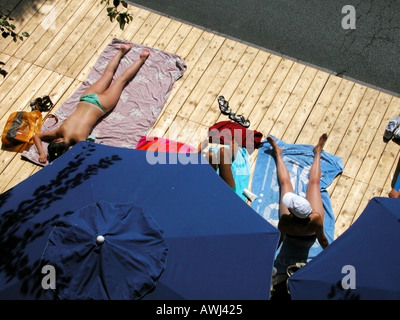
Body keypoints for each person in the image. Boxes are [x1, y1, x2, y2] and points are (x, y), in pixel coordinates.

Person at [33, 44, 150, 163]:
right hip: (87, 98)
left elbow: (85, 156)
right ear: (57, 141)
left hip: (101, 105)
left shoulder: (80, 140)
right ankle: (121, 51)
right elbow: (36, 136)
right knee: (108, 73)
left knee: (121, 80)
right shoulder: (59, 131)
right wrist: (42, 152)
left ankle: (142, 58)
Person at [267, 133, 330, 249]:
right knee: (314, 182)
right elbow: (323, 239)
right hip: (310, 231)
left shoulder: (285, 220)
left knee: (285, 182)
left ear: (290, 211)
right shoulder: (316, 218)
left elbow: (279, 239)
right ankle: (318, 152)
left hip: (291, 231)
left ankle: (278, 153)